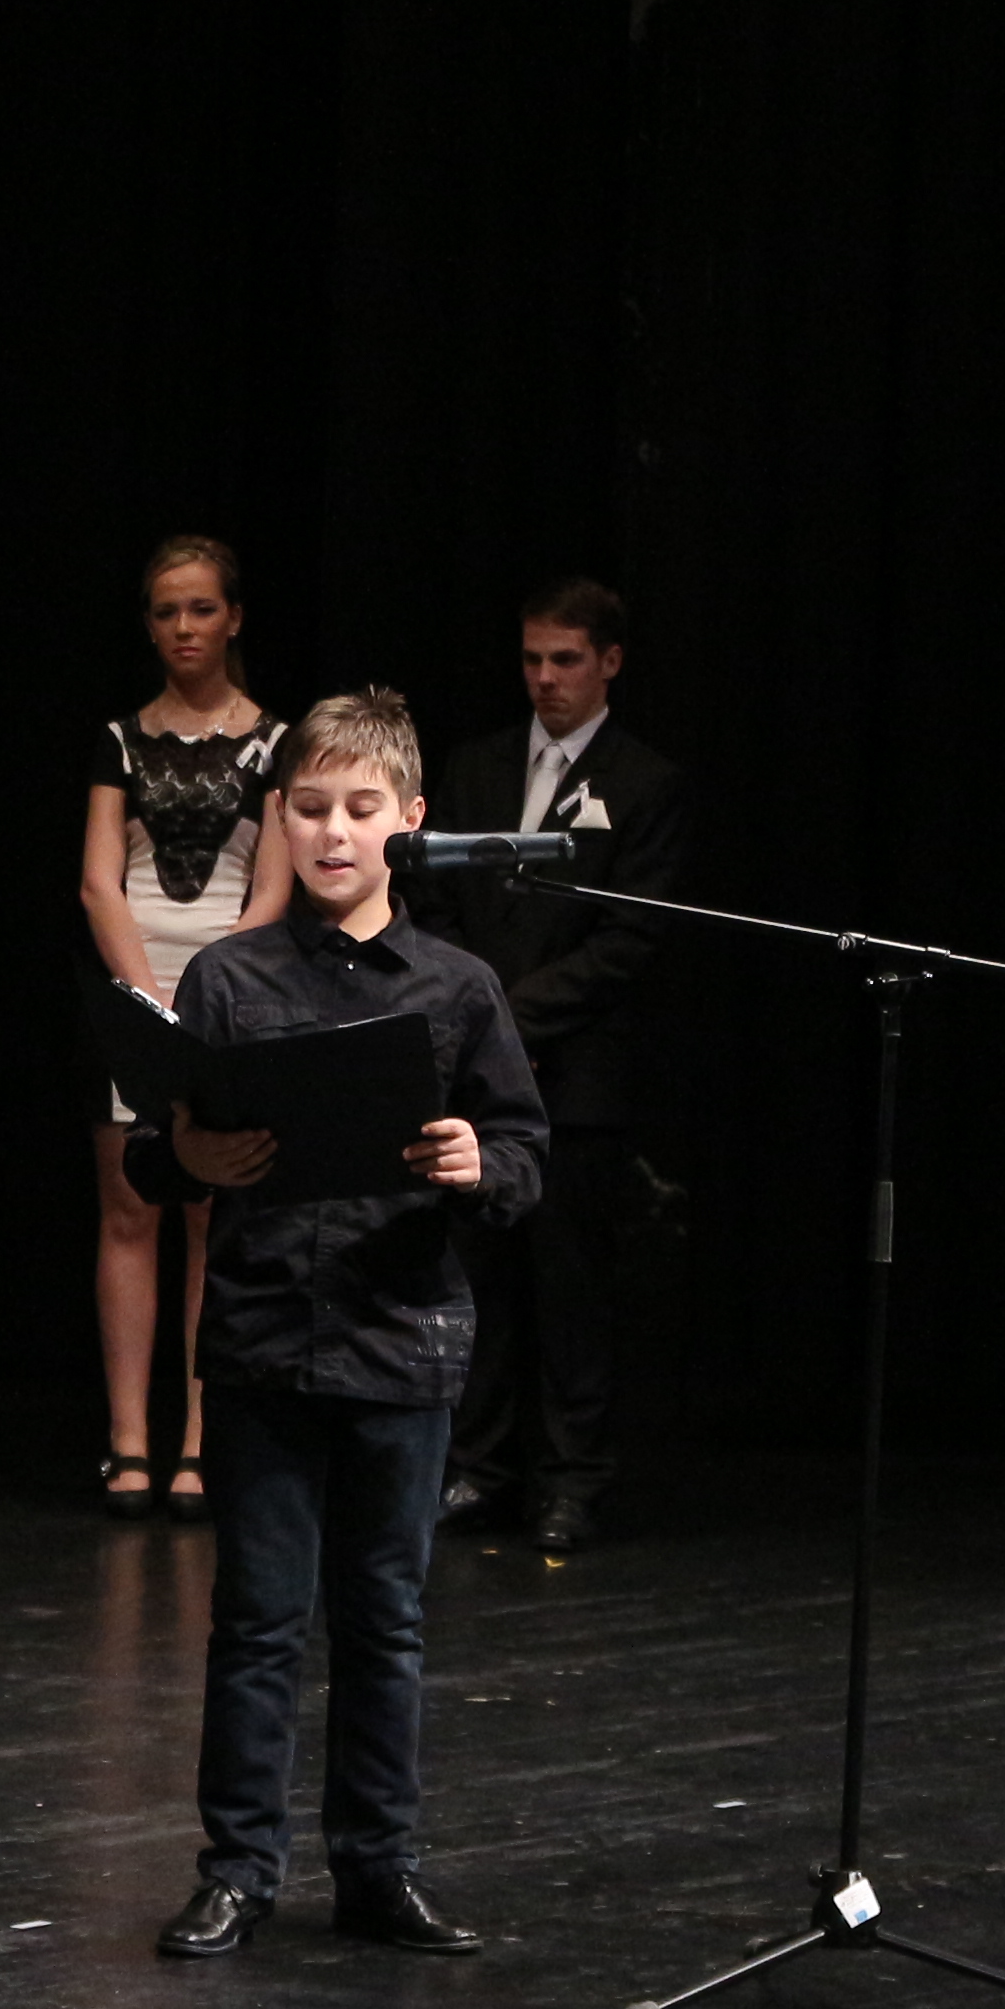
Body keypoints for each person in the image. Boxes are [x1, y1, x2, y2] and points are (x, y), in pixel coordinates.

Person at [135, 689, 544, 1963]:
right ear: (278, 818)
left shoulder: (458, 986)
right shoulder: (229, 976)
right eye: (310, 808)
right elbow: (156, 1154)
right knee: (258, 1621)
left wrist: (480, 1161)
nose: (333, 832)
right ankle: (238, 1871)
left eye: (361, 809)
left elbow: (524, 1155)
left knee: (385, 1623)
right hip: (264, 1340)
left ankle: (379, 1868)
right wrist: (190, 1153)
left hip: (401, 1339)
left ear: (407, 821)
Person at [434, 577, 686, 1553]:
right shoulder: (477, 767)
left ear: (610, 662)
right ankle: (479, 1468)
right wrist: (478, 1018)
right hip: (476, 1070)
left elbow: (628, 940)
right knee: (481, 1279)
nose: (545, 678)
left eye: (566, 660)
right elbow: (436, 902)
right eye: (533, 659)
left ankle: (572, 1479)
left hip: (575, 1075)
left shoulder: (646, 782)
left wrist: (509, 1015)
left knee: (572, 1289)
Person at [78, 536, 287, 1525]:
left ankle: (202, 1439)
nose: (185, 628)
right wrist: (146, 1000)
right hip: (135, 992)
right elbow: (98, 882)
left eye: (202, 609)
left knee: (214, 1214)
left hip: (231, 998)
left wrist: (208, 999)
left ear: (233, 617)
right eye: (166, 612)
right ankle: (129, 1439)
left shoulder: (274, 742)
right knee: (129, 1211)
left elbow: (274, 888)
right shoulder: (120, 738)